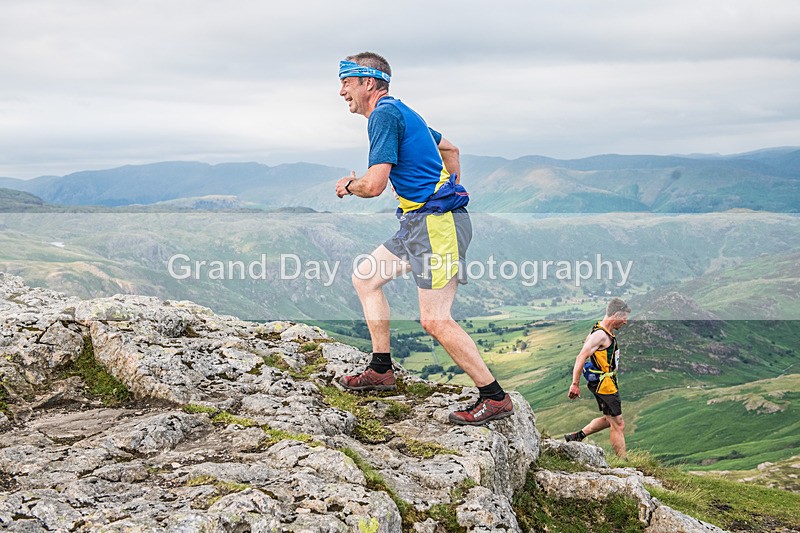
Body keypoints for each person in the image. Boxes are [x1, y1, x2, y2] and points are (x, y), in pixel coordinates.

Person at [334, 51, 513, 426]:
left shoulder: (383, 115)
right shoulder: (403, 112)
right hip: (420, 222)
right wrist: (452, 185)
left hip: (435, 224)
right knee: (365, 278)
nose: (341, 92)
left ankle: (494, 398)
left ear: (368, 82)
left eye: (346, 82)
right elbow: (451, 148)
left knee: (434, 320)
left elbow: (374, 184)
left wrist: (349, 186)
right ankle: (381, 370)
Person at [564, 298, 631, 458]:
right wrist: (575, 384)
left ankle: (578, 436)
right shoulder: (600, 335)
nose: (625, 322)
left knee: (610, 419)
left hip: (606, 382)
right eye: (624, 318)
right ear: (615, 314)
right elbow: (581, 357)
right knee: (618, 423)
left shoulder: (604, 331)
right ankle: (624, 462)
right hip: (604, 385)